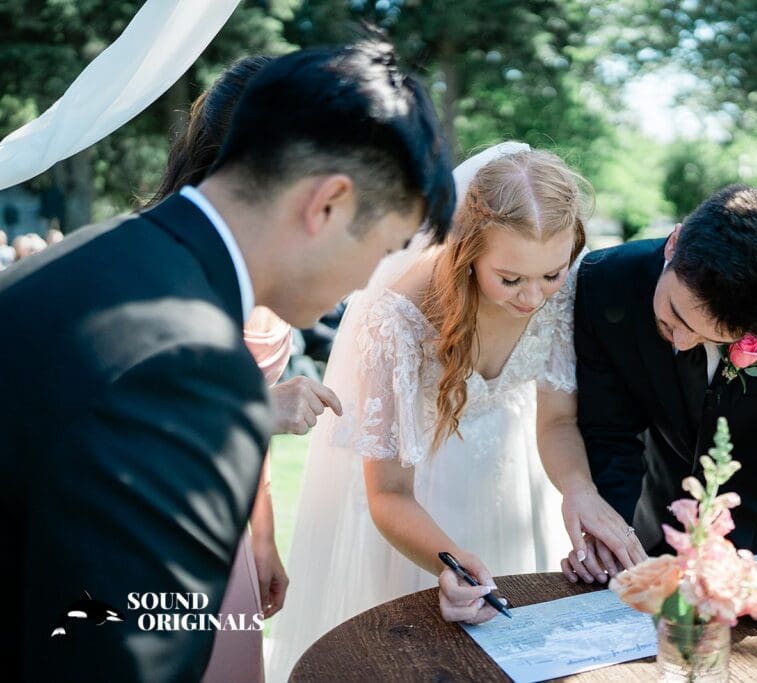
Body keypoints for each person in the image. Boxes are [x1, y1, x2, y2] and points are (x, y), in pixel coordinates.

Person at [0, 40, 455, 681]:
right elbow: (129, 655)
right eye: (384, 246)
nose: (363, 283)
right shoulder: (192, 365)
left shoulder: (97, 258)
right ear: (327, 204)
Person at [266, 144, 642, 681]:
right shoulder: (398, 316)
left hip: (514, 488)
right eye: (509, 279)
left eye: (552, 275)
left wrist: (579, 490)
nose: (534, 297)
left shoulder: (561, 284)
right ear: (466, 250)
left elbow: (556, 419)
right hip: (417, 518)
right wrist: (451, 563)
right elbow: (389, 492)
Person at [560, 185, 757, 633]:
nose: (679, 341)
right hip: (652, 536)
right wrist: (614, 538)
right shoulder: (606, 282)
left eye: (711, 337)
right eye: (674, 316)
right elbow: (610, 433)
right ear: (675, 243)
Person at [145, 55, 346, 682]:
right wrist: (261, 408)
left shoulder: (268, 269)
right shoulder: (160, 265)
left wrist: (261, 541)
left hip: (226, 527)